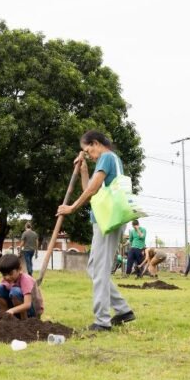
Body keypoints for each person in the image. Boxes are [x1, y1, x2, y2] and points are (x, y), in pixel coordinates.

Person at [57, 130, 135, 331]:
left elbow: (92, 190)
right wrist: (83, 171)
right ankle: (123, 310)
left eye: (87, 149)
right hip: (104, 220)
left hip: (107, 221)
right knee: (93, 269)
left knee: (99, 271)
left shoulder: (107, 157)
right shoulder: (111, 160)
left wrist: (71, 208)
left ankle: (102, 321)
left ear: (95, 143)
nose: (88, 154)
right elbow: (91, 191)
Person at [0, 254, 44, 319]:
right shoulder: (6, 279)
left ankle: (24, 320)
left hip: (32, 310)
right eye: (4, 274)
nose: (7, 277)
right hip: (16, 308)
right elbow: (0, 293)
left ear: (19, 269)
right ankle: (7, 315)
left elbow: (27, 304)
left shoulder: (26, 280)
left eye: (10, 273)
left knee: (15, 291)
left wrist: (12, 310)